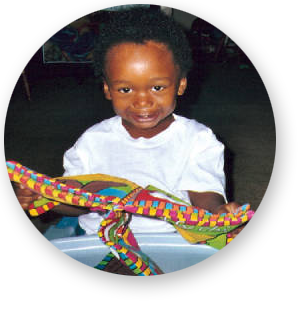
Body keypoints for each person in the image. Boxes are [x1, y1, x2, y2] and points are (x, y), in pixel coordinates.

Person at [13, 8, 240, 235]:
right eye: (126, 89)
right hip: (100, 239)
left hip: (172, 238)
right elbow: (77, 201)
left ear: (180, 85)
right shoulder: (93, 141)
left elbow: (203, 194)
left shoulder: (198, 140)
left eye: (157, 87)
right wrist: (45, 198)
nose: (142, 102)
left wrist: (217, 213)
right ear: (107, 89)